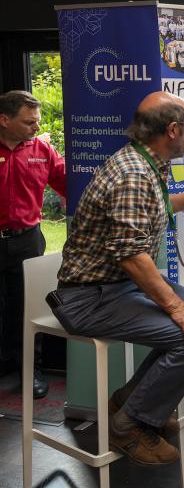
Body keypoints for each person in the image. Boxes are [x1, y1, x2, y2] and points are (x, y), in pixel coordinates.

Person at [51, 92, 184, 466]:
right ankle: (128, 426)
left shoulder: (144, 161)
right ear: (172, 130)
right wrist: (176, 308)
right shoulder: (134, 174)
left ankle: (129, 402)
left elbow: (153, 208)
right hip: (88, 298)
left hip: (114, 286)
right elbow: (131, 257)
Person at [0, 90, 66, 399]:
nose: (36, 127)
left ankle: (30, 371)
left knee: (27, 308)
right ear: (4, 120)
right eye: (29, 122)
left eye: (36, 121)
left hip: (27, 241)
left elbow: (68, 184)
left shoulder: (42, 150)